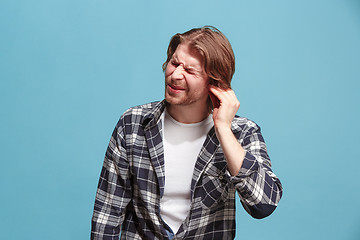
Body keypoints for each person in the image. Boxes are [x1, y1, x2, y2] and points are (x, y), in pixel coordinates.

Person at [91, 26, 283, 240]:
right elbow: (107, 214)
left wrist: (223, 130)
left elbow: (264, 205)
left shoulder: (243, 132)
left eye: (190, 71)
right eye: (174, 63)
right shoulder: (133, 123)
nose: (175, 75)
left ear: (215, 83)